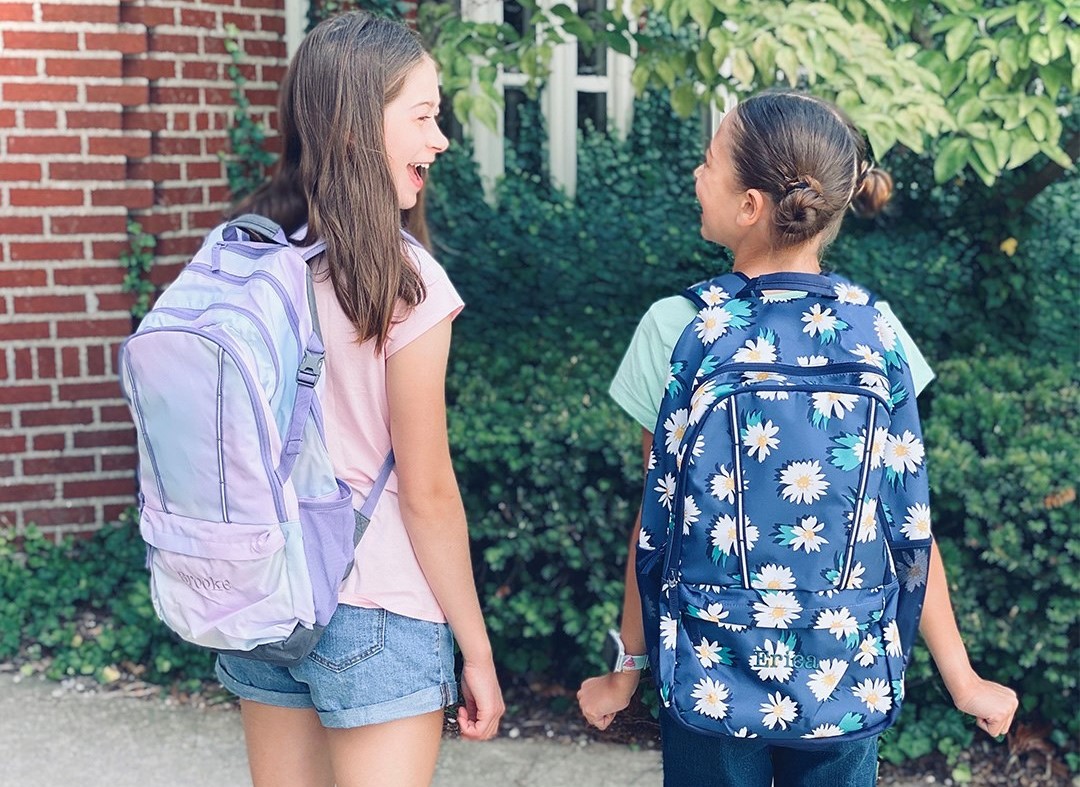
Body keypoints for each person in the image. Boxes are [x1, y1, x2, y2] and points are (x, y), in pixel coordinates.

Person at [577, 91, 1018, 785]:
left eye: (709, 161)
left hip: (710, 668)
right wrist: (962, 679)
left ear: (751, 204)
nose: (696, 174)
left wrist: (627, 668)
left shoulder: (677, 326)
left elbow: (657, 521)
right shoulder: (877, 331)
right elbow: (905, 523)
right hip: (845, 670)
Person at [212, 12, 504, 786]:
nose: (439, 139)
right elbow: (429, 492)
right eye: (422, 116)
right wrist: (476, 648)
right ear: (353, 128)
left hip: (267, 594)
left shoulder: (251, 261)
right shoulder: (404, 284)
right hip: (378, 604)